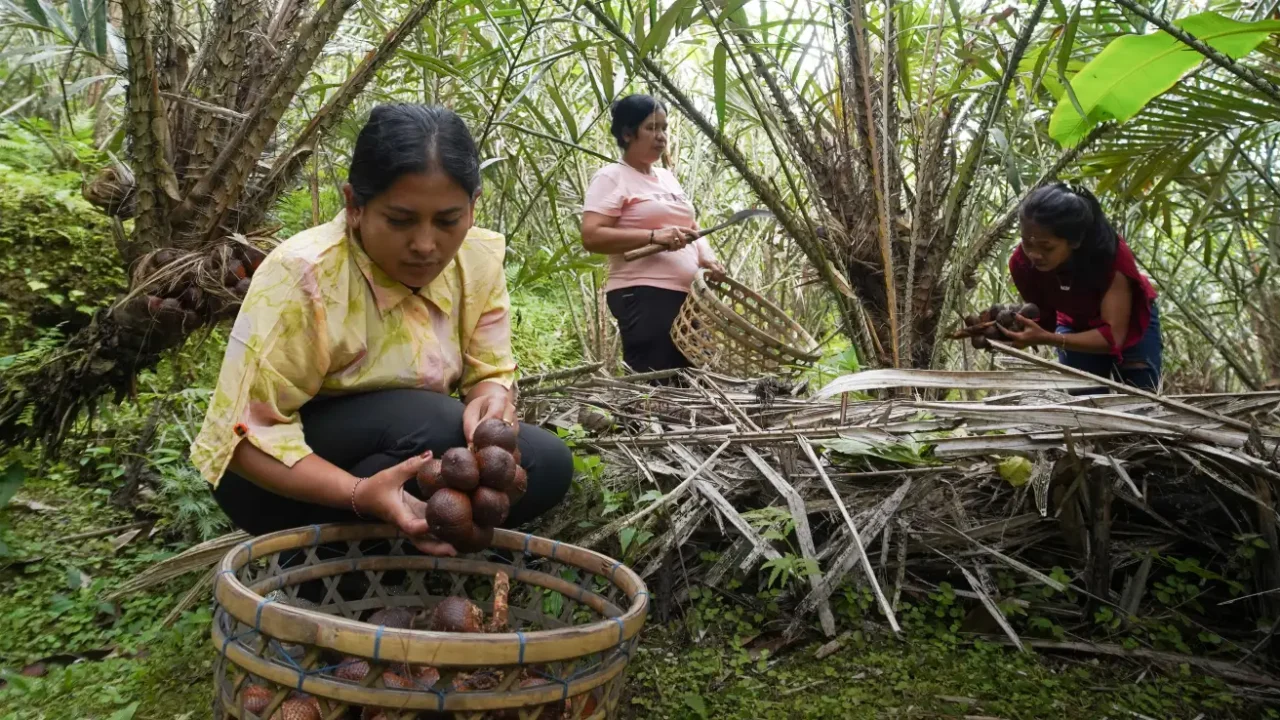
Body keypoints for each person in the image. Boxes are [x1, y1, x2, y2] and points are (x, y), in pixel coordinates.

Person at [190, 104, 572, 557]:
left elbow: (490, 373)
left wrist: (491, 403)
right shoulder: (306, 275)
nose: (426, 245)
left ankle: (386, 564)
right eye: (400, 220)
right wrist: (358, 491)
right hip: (273, 485)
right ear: (355, 205)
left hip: (397, 449)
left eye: (448, 221)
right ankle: (315, 560)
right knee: (431, 423)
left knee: (544, 464)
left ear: (473, 207)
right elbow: (240, 439)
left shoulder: (477, 262)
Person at [580, 94, 726, 375]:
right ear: (626, 133)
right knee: (657, 382)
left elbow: (691, 226)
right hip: (643, 294)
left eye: (664, 128)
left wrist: (706, 256)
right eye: (651, 128)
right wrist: (652, 236)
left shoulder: (667, 178)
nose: (661, 137)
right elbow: (591, 236)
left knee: (697, 380)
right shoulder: (612, 177)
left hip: (689, 296)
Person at [999, 183, 1163, 391]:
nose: (1034, 255)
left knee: (1140, 400)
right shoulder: (1022, 265)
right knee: (1085, 403)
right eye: (1027, 243)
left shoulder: (1112, 259)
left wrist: (1049, 338)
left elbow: (1113, 336)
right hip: (1074, 324)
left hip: (1131, 324)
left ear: (1075, 241)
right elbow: (1044, 319)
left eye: (1046, 247)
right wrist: (1003, 328)